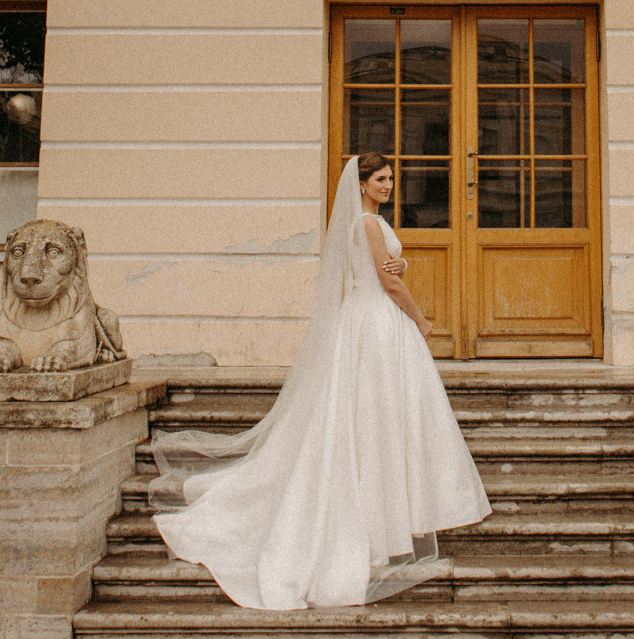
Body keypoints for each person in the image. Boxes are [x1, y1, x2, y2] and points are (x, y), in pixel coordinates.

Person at [147, 152, 492, 610]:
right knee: (379, 418)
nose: (388, 185)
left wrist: (401, 266)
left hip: (365, 320)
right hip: (377, 322)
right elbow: (387, 284)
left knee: (371, 419)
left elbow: (382, 270)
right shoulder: (367, 224)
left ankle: (382, 520)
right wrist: (421, 320)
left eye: (391, 178)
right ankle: (378, 525)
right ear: (361, 184)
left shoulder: (363, 224)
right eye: (380, 179)